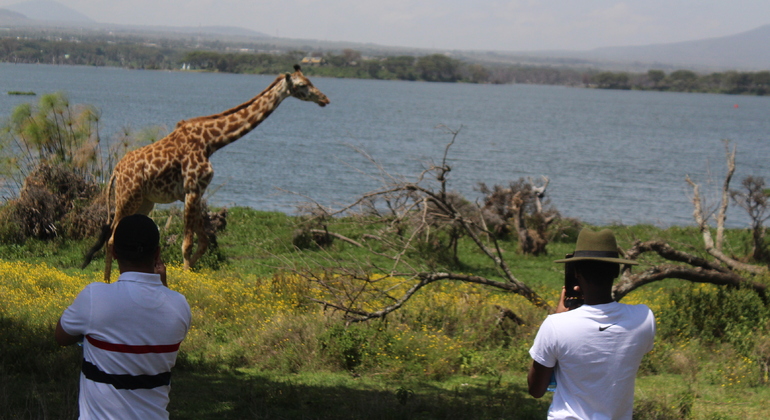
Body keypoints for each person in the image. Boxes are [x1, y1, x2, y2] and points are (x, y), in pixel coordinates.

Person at [55, 214, 192, 419]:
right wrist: (163, 287)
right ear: (157, 254)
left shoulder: (95, 298)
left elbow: (61, 336)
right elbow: (156, 323)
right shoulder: (179, 305)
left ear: (113, 252)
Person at [527, 228, 655, 420]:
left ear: (576, 273)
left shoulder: (556, 325)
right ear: (616, 271)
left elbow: (536, 389)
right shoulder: (644, 318)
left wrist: (560, 316)